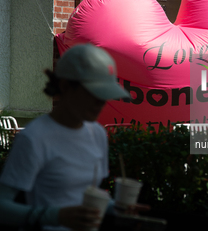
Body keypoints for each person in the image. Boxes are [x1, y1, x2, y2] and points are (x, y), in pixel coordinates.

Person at [0, 44, 140, 231]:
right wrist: (55, 216)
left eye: (105, 95)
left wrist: (117, 209)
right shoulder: (34, 137)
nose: (101, 102)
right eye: (94, 93)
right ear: (66, 86)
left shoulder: (97, 133)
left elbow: (84, 199)